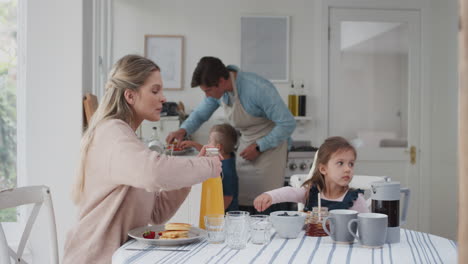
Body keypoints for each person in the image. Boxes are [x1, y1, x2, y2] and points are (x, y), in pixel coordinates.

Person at [63, 55, 222, 264]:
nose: (163, 98)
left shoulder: (127, 137)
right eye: (155, 91)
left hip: (125, 256)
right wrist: (206, 166)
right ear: (130, 96)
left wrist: (191, 176)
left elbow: (157, 212)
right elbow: (154, 172)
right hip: (95, 257)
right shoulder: (112, 133)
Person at [166, 57, 295, 212]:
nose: (207, 96)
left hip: (271, 148)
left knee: (266, 200)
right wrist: (183, 130)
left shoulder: (258, 88)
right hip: (247, 143)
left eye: (208, 91)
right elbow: (200, 114)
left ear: (221, 81)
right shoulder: (220, 92)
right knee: (243, 197)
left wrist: (260, 146)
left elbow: (288, 123)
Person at [254, 136, 369, 213]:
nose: (348, 169)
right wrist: (269, 196)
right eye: (340, 163)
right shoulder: (311, 193)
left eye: (351, 164)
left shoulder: (355, 200)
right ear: (323, 169)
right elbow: (290, 192)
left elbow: (367, 227)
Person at [180, 123, 239, 211]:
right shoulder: (228, 156)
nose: (207, 143)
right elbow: (209, 151)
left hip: (225, 216)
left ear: (218, 147)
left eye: (209, 141)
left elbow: (228, 198)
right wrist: (194, 144)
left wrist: (213, 213)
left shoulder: (227, 171)